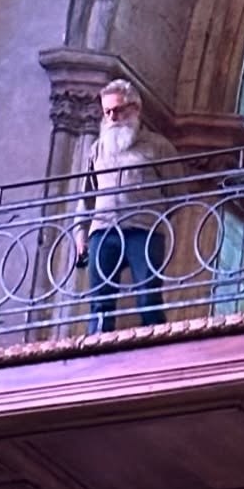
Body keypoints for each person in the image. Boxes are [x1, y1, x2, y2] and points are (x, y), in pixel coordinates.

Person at [73, 79, 181, 332]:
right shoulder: (97, 149)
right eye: (107, 111)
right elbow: (86, 196)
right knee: (100, 300)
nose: (112, 117)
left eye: (118, 110)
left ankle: (155, 346)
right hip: (103, 231)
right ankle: (96, 350)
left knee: (148, 297)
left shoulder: (158, 147)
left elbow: (178, 191)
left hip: (143, 231)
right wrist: (80, 234)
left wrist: (156, 218)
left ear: (135, 108)